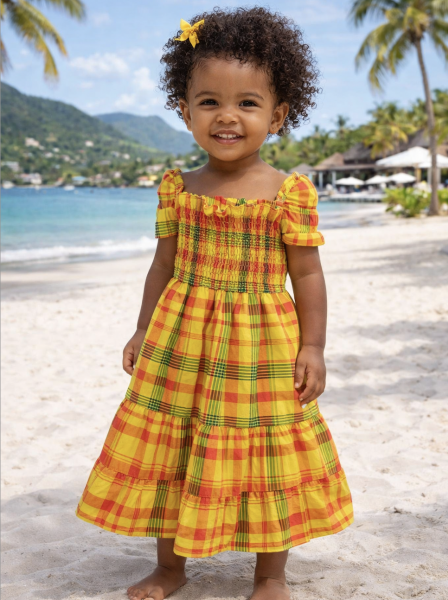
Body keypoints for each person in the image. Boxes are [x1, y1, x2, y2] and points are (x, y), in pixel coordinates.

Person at [76, 7, 354, 600]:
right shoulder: (178, 188)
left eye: (247, 103)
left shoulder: (288, 192)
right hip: (181, 342)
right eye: (209, 102)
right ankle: (170, 568)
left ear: (277, 115)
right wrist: (141, 330)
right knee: (173, 448)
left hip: (262, 346)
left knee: (268, 452)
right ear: (185, 111)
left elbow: (307, 272)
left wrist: (313, 346)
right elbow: (162, 266)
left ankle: (270, 576)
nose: (227, 116)